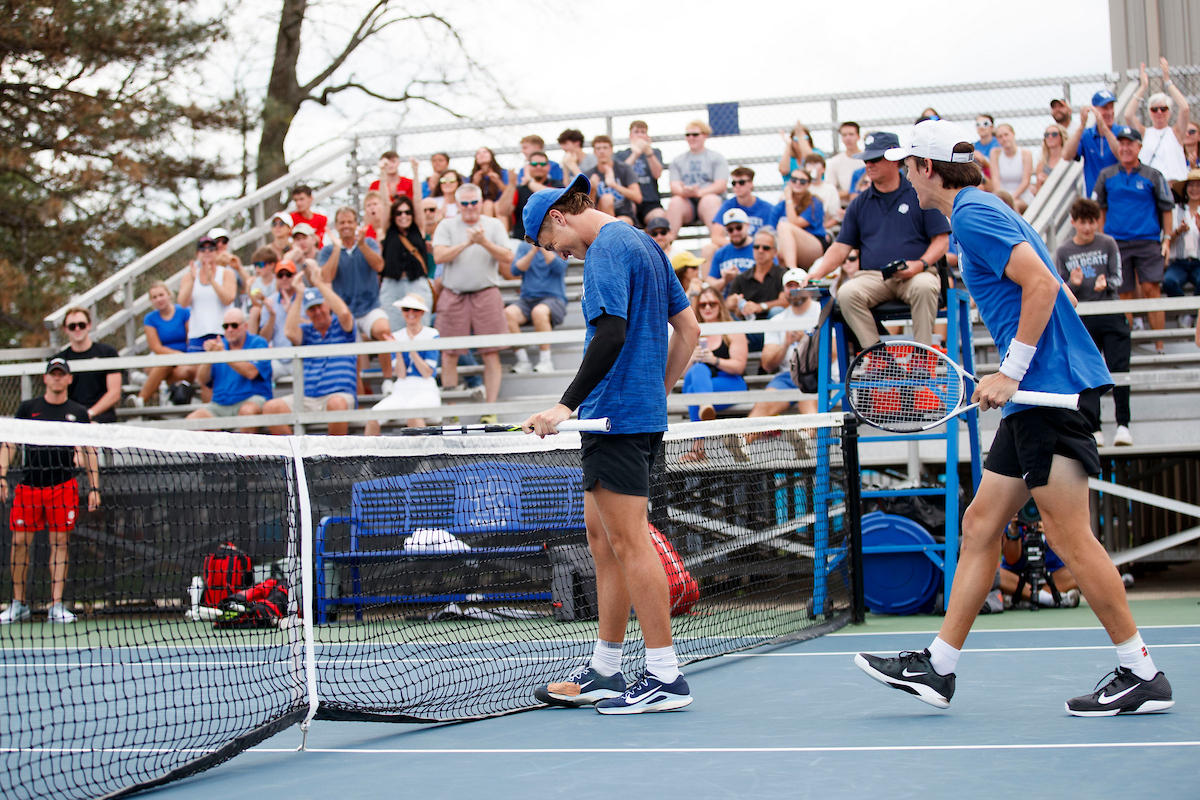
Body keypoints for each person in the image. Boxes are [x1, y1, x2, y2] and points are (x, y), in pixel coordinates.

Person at [856, 119, 1173, 717]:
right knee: (980, 526)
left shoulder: (973, 216)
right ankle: (939, 667)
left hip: (1047, 396)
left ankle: (1142, 671)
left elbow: (1043, 288)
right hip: (1038, 395)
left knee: (1068, 537)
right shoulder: (983, 210)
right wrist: (1018, 371)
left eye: (909, 166)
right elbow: (1060, 289)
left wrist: (1013, 370)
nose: (902, 177)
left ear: (926, 169)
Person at [521, 173, 700, 714]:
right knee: (603, 542)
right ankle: (605, 668)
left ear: (558, 217)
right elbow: (689, 331)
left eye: (555, 247)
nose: (566, 256)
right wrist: (654, 393)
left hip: (611, 419)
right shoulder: (645, 243)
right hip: (632, 415)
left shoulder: (604, 249)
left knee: (628, 544)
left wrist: (564, 405)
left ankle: (665, 675)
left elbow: (612, 333)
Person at [804, 131, 950, 351]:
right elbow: (841, 247)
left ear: (893, 159)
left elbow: (941, 241)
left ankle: (923, 357)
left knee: (925, 285)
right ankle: (877, 359)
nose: (868, 164)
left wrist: (919, 265)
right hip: (874, 277)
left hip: (916, 274)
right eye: (866, 160)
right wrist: (815, 273)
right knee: (846, 292)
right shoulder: (858, 203)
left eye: (874, 159)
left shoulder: (920, 193)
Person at [0, 358, 98, 625]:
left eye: (61, 374)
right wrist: (1, 474)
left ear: (68, 379)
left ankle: (56, 605)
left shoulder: (78, 412)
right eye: (52, 374)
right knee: (19, 544)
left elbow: (89, 449)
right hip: (29, 487)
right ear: (45, 378)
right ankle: (18, 604)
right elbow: (10, 443)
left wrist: (94, 487)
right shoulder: (28, 408)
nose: (57, 378)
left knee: (60, 544)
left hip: (63, 487)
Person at [431, 183, 515, 421]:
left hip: (486, 293)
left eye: (473, 202)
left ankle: (490, 410)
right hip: (453, 294)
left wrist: (483, 242)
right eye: (464, 203)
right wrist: (468, 243)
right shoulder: (446, 225)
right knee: (449, 353)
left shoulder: (493, 225)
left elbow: (508, 256)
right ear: (457, 205)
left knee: (491, 353)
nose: (469, 207)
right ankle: (452, 411)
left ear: (480, 202)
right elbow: (438, 255)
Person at [1054, 198, 1132, 446]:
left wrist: (1106, 283)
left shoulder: (1107, 242)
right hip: (1082, 319)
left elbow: (1118, 277)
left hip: (1111, 313)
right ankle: (1094, 427)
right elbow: (1058, 287)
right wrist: (1074, 285)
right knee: (1088, 374)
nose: (1087, 228)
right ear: (1074, 222)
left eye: (1092, 222)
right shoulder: (1064, 251)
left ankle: (1123, 425)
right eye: (1083, 222)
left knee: (1119, 369)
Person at [1094, 126, 1174, 353]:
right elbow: (1100, 208)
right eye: (1122, 143)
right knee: (1124, 293)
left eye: (1130, 143)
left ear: (1139, 146)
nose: (1125, 147)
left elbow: (1166, 208)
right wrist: (1104, 238)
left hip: (1148, 240)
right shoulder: (1107, 175)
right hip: (1117, 243)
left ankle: (1160, 346)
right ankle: (1126, 346)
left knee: (1151, 288)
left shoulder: (1152, 174)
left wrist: (1166, 238)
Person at [262, 279, 357, 437]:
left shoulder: (341, 327)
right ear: (306, 313)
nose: (317, 312)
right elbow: (289, 332)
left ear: (328, 306)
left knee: (337, 404)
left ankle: (334, 460)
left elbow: (345, 313)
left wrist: (318, 282)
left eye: (320, 306)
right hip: (307, 397)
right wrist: (299, 294)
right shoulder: (307, 331)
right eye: (312, 309)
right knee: (271, 408)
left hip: (337, 395)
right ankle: (297, 456)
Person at [318, 206, 395, 390]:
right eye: (342, 222)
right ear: (336, 226)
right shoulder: (328, 251)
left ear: (356, 224)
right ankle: (361, 396)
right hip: (345, 314)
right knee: (353, 356)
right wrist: (337, 248)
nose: (346, 226)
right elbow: (326, 277)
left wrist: (361, 245)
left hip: (370, 307)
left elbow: (379, 266)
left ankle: (388, 381)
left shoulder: (368, 242)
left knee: (383, 330)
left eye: (349, 222)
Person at [744, 268, 822, 425]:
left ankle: (805, 440)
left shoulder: (823, 311)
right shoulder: (777, 320)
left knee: (808, 403)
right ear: (784, 289)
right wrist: (786, 343)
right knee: (763, 404)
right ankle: (742, 441)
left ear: (805, 287)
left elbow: (833, 353)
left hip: (818, 375)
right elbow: (767, 364)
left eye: (797, 285)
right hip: (787, 377)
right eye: (789, 286)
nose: (793, 290)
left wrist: (806, 340)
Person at [679, 284, 748, 461]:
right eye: (703, 305)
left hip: (730, 382)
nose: (708, 308)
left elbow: (739, 367)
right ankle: (705, 405)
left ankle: (698, 448)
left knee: (696, 391)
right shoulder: (692, 333)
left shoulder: (732, 331)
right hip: (701, 386)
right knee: (697, 370)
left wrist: (715, 360)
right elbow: (681, 373)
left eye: (712, 303)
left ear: (720, 305)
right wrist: (693, 357)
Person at [185, 308, 271, 432]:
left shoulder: (258, 343)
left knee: (248, 412)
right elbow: (202, 380)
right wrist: (210, 356)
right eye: (226, 326)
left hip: (251, 399)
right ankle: (216, 451)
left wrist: (223, 354)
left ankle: (245, 452)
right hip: (220, 404)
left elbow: (251, 372)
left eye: (234, 325)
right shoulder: (220, 345)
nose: (230, 330)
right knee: (192, 421)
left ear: (245, 325)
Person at [366, 294, 441, 434]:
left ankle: (423, 455)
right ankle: (368, 455)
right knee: (373, 416)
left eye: (415, 310)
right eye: (406, 309)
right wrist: (399, 350)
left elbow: (427, 372)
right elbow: (400, 374)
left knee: (413, 413)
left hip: (426, 389)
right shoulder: (397, 336)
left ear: (422, 313)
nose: (410, 313)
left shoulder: (432, 334)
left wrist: (410, 347)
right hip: (401, 390)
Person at [178, 234, 237, 382]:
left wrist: (212, 281)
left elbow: (228, 298)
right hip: (197, 336)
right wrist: (192, 280)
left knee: (219, 376)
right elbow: (183, 303)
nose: (207, 252)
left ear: (217, 252)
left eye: (211, 248)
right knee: (199, 376)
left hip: (222, 333)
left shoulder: (226, 273)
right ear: (197, 254)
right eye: (202, 249)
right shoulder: (189, 276)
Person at [1124, 58, 1191, 183]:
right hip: (1151, 187)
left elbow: (1185, 108)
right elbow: (1128, 115)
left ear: (1169, 113)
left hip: (1174, 186)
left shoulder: (1176, 133)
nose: (1159, 112)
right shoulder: (1145, 133)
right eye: (1154, 109)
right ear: (1149, 112)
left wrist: (1167, 82)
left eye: (1163, 109)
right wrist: (1143, 87)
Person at [507, 241, 569, 374]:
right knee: (508, 313)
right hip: (527, 300)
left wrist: (543, 248)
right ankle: (523, 360)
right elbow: (515, 270)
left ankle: (546, 360)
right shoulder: (524, 246)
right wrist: (532, 251)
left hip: (554, 299)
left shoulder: (558, 244)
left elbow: (559, 268)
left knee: (539, 312)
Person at [131, 281, 197, 407]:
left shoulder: (184, 312)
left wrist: (183, 358)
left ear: (169, 295)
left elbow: (191, 339)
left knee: (184, 373)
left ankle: (150, 382)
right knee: (163, 365)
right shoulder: (150, 318)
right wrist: (176, 355)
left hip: (184, 361)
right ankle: (140, 400)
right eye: (154, 297)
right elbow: (156, 347)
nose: (158, 299)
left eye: (161, 295)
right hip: (162, 358)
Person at [998, 510, 1080, 608]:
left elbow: (1071, 554)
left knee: (1082, 571)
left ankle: (1025, 598)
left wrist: (1051, 533)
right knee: (992, 573)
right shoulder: (1014, 511)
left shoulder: (1056, 513)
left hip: (1051, 577)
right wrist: (1013, 530)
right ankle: (1048, 598)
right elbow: (1011, 559)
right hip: (1017, 578)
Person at [666, 120, 729, 242]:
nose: (691, 138)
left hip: (708, 200)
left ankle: (718, 243)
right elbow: (674, 186)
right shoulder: (678, 160)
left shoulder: (716, 157)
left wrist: (698, 192)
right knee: (675, 202)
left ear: (705, 135)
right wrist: (684, 191)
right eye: (688, 135)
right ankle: (665, 247)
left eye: (695, 135)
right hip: (687, 202)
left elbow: (721, 185)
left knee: (709, 201)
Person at [54, 308, 121, 423]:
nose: (77, 329)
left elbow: (114, 393)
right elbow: (55, 392)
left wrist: (89, 414)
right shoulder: (59, 360)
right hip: (70, 418)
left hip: (102, 417)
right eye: (72, 326)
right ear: (65, 329)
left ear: (89, 325)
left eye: (81, 325)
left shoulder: (108, 353)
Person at [377, 195, 432, 333]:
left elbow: (418, 202)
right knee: (395, 331)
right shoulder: (388, 232)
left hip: (416, 283)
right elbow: (384, 204)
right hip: (392, 285)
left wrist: (416, 172)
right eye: (399, 213)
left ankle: (422, 355)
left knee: (421, 328)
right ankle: (400, 356)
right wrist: (383, 176)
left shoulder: (418, 230)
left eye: (407, 212)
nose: (403, 216)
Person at [251, 258, 303, 381]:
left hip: (303, 357)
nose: (284, 278)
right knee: (258, 376)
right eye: (280, 275)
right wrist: (272, 316)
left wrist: (291, 312)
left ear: (295, 276)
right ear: (276, 278)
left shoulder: (306, 297)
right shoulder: (270, 301)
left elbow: (314, 328)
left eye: (288, 274)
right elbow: (264, 339)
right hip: (279, 359)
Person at [1063, 90, 1122, 198]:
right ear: (1094, 110)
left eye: (1111, 107)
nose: (1110, 112)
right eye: (1105, 108)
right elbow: (1066, 155)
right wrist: (1081, 126)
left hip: (1118, 197)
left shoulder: (1122, 132)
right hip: (1095, 198)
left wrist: (1103, 127)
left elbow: (1121, 154)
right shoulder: (1087, 134)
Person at [499, 150, 564, 241]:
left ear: (548, 167)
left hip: (552, 241)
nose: (538, 167)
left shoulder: (556, 184)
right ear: (528, 167)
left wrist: (529, 182)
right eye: (534, 164)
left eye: (542, 164)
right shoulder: (520, 188)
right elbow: (503, 211)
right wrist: (511, 185)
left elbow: (559, 197)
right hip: (523, 240)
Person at [1165, 168, 1200, 330]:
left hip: (1198, 262)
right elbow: (1166, 238)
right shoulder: (1175, 211)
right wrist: (1178, 231)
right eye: (1191, 185)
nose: (1194, 189)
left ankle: (1191, 315)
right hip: (1179, 261)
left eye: (1198, 185)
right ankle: (1187, 313)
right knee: (1169, 281)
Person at [772, 167, 827, 269]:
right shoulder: (780, 206)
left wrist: (788, 199)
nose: (797, 183)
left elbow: (794, 223)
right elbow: (770, 230)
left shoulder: (815, 203)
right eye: (794, 180)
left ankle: (792, 270)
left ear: (808, 184)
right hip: (788, 251)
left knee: (784, 226)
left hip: (814, 248)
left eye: (802, 181)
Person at [616, 120, 667, 227]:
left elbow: (657, 174)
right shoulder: (621, 154)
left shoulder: (655, 152)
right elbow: (620, 175)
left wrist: (648, 152)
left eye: (643, 132)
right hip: (629, 202)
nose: (640, 135)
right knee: (624, 223)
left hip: (650, 201)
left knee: (659, 220)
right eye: (636, 132)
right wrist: (635, 154)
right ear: (630, 135)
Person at [711, 167, 776, 243]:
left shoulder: (767, 208)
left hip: (758, 249)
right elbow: (715, 237)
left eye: (741, 182)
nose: (737, 186)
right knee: (709, 249)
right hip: (736, 247)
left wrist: (750, 246)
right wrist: (739, 246)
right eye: (734, 183)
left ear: (751, 183)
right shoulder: (728, 205)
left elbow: (772, 238)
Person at [587, 135, 641, 225]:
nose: (602, 151)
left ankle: (612, 231)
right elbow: (588, 208)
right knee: (607, 199)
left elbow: (637, 197)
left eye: (605, 148)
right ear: (594, 152)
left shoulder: (624, 169)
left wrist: (614, 185)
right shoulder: (589, 174)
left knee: (622, 223)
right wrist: (592, 188)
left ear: (611, 150)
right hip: (600, 218)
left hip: (624, 215)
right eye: (598, 148)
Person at [706, 208, 755, 293]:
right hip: (727, 302)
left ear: (747, 226)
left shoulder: (759, 247)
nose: (735, 232)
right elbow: (710, 286)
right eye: (730, 230)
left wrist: (739, 276)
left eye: (739, 228)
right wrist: (725, 280)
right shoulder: (720, 253)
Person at [990, 123, 1034, 212]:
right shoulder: (995, 153)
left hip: (1022, 196)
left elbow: (1026, 182)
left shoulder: (1025, 154)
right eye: (1000, 137)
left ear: (1013, 134)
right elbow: (995, 179)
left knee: (1014, 206)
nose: (1004, 139)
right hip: (1002, 196)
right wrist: (1002, 197)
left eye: (1006, 135)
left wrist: (1010, 198)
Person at [802, 153, 844, 227]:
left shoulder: (830, 189)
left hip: (824, 228)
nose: (813, 167)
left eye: (816, 163)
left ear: (823, 169)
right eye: (809, 164)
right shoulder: (801, 187)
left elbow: (836, 217)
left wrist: (821, 228)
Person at [827, 121, 863, 204]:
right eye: (844, 135)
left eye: (851, 134)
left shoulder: (868, 160)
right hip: (844, 207)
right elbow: (830, 192)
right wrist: (854, 190)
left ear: (858, 136)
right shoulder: (834, 162)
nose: (848, 138)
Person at [469, 146, 508, 217]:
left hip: (501, 205)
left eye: (485, 152)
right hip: (480, 207)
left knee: (492, 205)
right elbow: (468, 197)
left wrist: (497, 181)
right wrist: (475, 183)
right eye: (478, 153)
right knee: (487, 204)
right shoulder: (472, 177)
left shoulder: (503, 173)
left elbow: (509, 193)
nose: (481, 155)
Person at [1033, 123, 1068, 196]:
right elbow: (1038, 193)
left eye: (1054, 134)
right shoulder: (1042, 164)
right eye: (1047, 135)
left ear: (1061, 137)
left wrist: (1049, 181)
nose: (1050, 137)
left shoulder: (1068, 160)